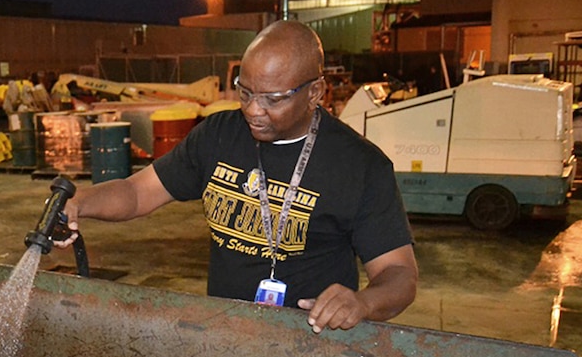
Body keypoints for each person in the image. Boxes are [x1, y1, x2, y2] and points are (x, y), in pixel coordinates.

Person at [59, 20, 417, 333]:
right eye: (245, 92)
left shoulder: (360, 166)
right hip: (225, 334)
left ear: (314, 93)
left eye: (272, 99)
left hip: (313, 345)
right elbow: (138, 193)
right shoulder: (218, 135)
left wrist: (362, 302)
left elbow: (399, 273)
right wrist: (79, 203)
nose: (253, 110)